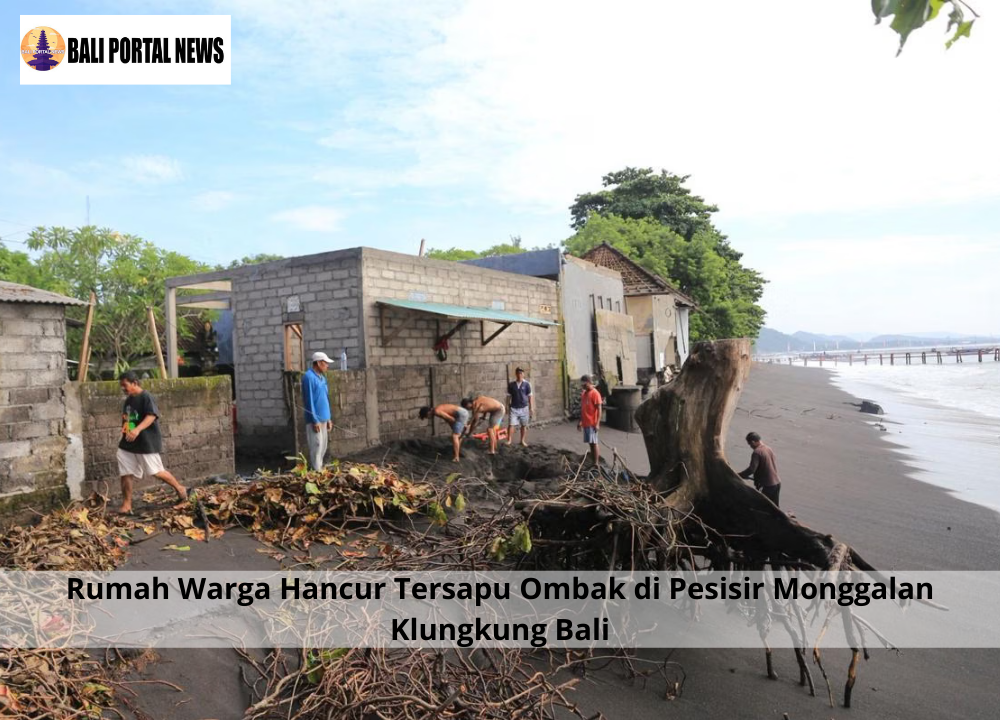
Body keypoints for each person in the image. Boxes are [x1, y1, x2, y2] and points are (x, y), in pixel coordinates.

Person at [117, 371, 187, 514]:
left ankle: (180, 488)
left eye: (125, 385)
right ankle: (127, 504)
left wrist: (137, 430)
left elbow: (151, 416)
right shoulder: (128, 400)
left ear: (135, 383)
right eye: (122, 386)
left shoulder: (146, 397)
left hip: (146, 443)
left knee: (156, 471)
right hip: (128, 443)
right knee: (125, 472)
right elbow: (128, 419)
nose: (123, 389)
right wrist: (126, 430)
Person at [302, 351, 334, 471]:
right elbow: (309, 400)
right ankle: (316, 470)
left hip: (324, 418)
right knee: (316, 445)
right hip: (315, 420)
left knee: (323, 446)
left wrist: (329, 418)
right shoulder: (308, 377)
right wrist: (314, 420)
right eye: (326, 363)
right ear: (319, 363)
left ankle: (318, 468)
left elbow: (326, 398)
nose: (327, 366)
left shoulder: (322, 377)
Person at [738, 432, 782, 506]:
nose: (750, 446)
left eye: (750, 444)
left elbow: (751, 469)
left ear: (753, 442)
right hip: (777, 483)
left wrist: (739, 475)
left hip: (767, 485)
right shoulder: (768, 448)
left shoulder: (757, 452)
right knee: (774, 507)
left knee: (762, 506)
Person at [578, 375, 602, 468]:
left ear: (588, 383)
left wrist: (597, 423)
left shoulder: (595, 393)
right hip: (586, 423)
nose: (582, 386)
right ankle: (593, 461)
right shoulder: (584, 394)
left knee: (594, 443)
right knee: (590, 443)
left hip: (592, 423)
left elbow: (599, 409)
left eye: (584, 384)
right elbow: (583, 409)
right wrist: (580, 421)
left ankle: (596, 463)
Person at [506, 367, 533, 447]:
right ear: (516, 374)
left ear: (523, 374)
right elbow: (508, 396)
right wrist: (507, 406)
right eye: (518, 373)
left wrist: (531, 408)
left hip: (524, 408)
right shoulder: (511, 385)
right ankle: (509, 440)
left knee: (524, 425)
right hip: (514, 407)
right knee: (511, 424)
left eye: (521, 373)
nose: (519, 375)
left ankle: (522, 441)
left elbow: (530, 396)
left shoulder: (527, 384)